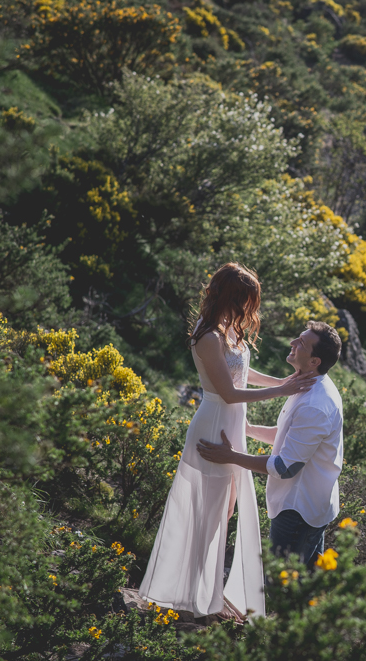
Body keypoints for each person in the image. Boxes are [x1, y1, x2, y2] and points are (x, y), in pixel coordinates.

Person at [139, 263, 316, 621]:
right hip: (214, 427)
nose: (249, 310)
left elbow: (243, 372)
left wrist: (283, 378)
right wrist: (282, 390)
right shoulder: (208, 337)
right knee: (208, 514)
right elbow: (230, 392)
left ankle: (204, 595)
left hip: (230, 429)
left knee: (225, 511)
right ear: (232, 297)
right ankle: (192, 601)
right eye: (246, 301)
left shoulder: (228, 332)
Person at [197, 320, 344, 569]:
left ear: (314, 361)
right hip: (305, 504)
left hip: (299, 510)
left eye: (302, 343)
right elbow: (288, 436)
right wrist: (248, 429)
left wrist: (230, 456)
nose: (292, 343)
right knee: (303, 587)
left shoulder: (314, 404)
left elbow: (285, 467)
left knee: (282, 586)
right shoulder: (306, 385)